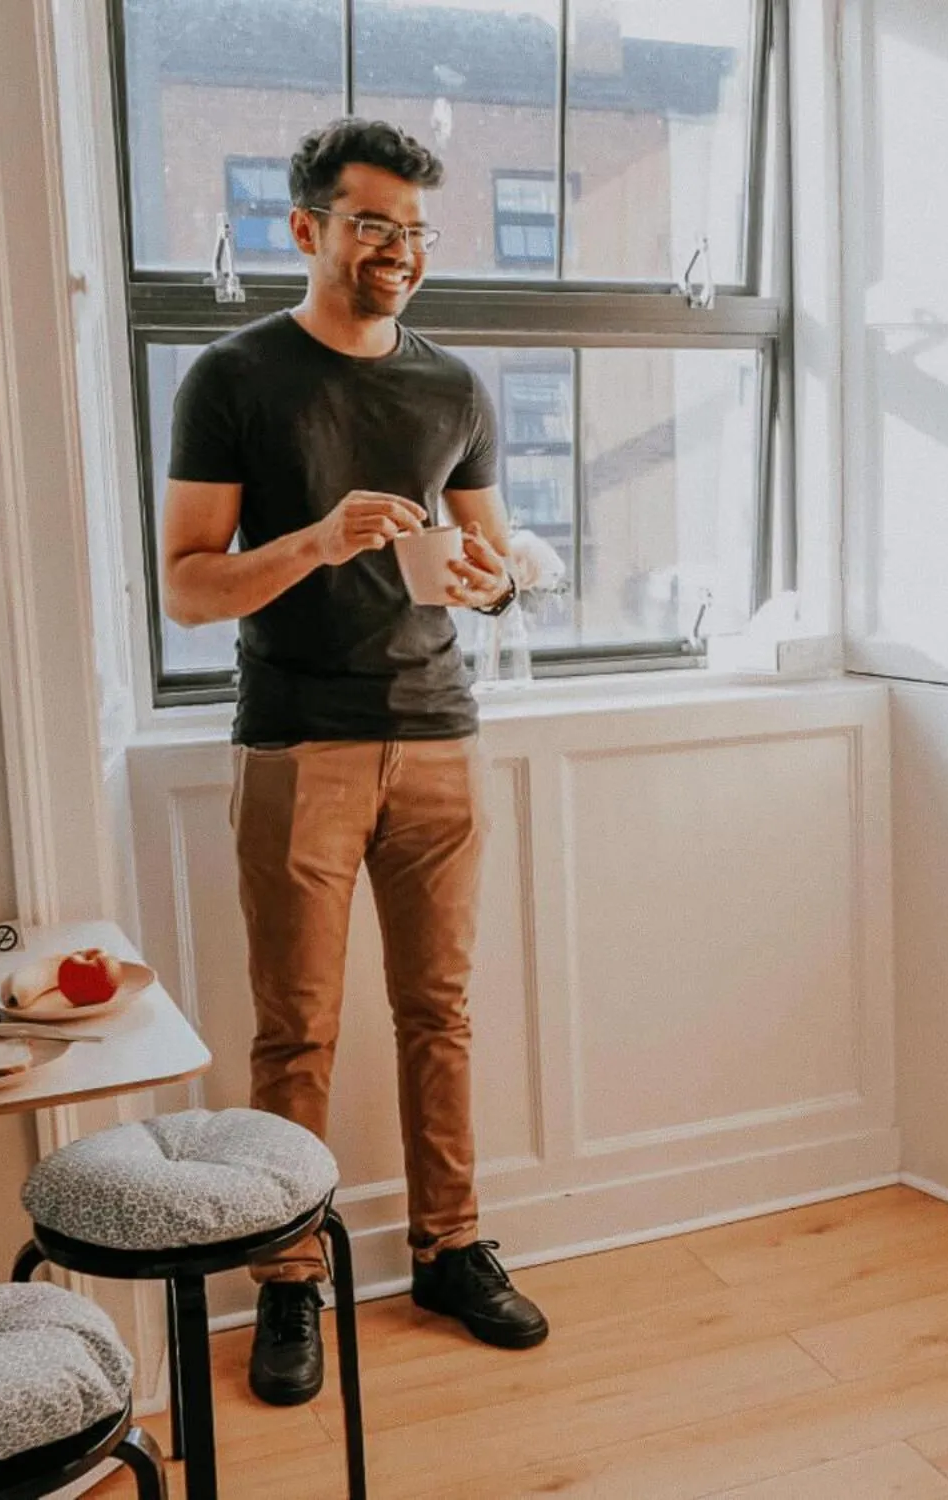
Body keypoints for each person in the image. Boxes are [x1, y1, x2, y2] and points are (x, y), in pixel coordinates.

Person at [161, 118, 549, 1409]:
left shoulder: (452, 387)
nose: (403, 251)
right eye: (376, 224)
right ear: (309, 228)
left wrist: (494, 588)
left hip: (441, 734)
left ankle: (449, 1247)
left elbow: (493, 561)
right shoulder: (234, 376)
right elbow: (189, 588)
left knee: (440, 1013)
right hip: (299, 740)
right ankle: (287, 1278)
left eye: (419, 231)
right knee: (298, 1031)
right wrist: (319, 541)